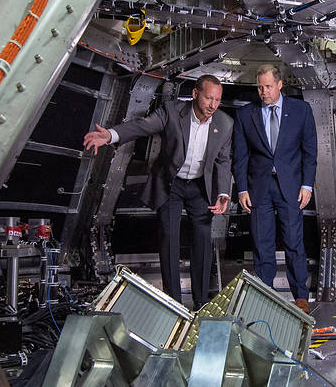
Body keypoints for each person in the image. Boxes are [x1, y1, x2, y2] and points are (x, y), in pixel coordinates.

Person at [82, 74, 232, 308]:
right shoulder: (172, 111)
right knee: (169, 240)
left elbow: (223, 160)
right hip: (171, 184)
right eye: (208, 98)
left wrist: (223, 191)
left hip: (201, 186)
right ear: (195, 94)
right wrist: (111, 135)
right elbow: (143, 126)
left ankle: (201, 303)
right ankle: (174, 303)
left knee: (202, 241)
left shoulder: (224, 123)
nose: (212, 105)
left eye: (217, 100)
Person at [232, 64, 317, 313]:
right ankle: (265, 295)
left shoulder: (301, 110)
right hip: (259, 188)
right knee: (262, 243)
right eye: (260, 87)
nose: (264, 92)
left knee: (294, 241)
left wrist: (306, 185)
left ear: (280, 84)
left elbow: (310, 151)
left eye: (268, 86)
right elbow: (240, 156)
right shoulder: (245, 114)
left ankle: (300, 297)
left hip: (291, 187)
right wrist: (242, 189)